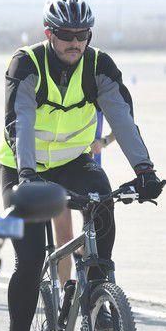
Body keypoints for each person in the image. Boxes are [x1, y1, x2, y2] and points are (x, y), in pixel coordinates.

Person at [0, 0, 166, 331]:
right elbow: (20, 121)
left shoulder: (99, 65)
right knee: (28, 261)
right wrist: (26, 175)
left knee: (104, 199)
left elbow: (121, 118)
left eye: (82, 34)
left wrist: (145, 170)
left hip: (72, 160)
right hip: (24, 166)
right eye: (66, 34)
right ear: (49, 33)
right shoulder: (27, 63)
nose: (75, 42)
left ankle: (95, 288)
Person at [53, 111, 116, 286]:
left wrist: (104, 142)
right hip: (57, 170)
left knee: (92, 237)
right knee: (64, 237)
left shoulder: (98, 90)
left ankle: (87, 292)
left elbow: (123, 123)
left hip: (89, 174)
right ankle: (66, 294)